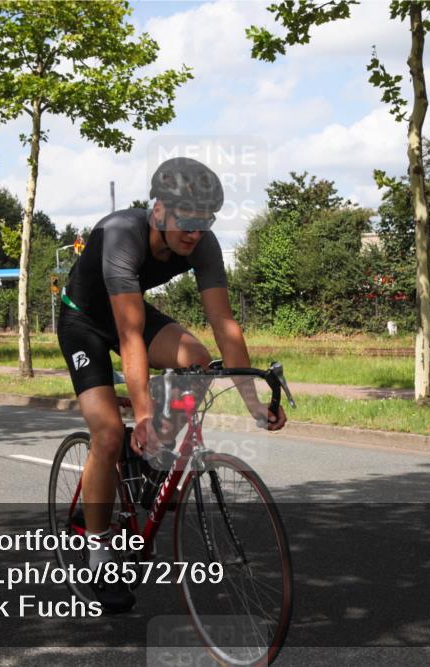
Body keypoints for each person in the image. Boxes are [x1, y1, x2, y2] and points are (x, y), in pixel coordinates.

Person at [56, 157, 287, 612]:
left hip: (134, 317)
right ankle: (99, 554)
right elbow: (128, 335)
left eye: (205, 222)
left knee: (198, 360)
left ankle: (152, 455)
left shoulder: (202, 244)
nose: (194, 232)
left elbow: (224, 324)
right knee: (106, 434)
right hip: (84, 322)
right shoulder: (122, 233)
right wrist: (141, 413)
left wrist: (254, 405)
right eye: (186, 220)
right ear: (158, 209)